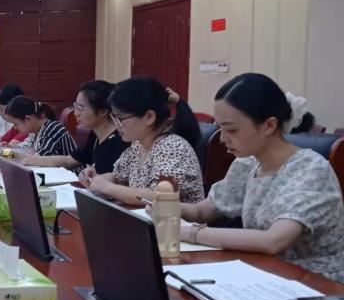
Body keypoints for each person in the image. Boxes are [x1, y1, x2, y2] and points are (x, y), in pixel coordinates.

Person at [179, 73, 344, 282]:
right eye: (220, 128)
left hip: (316, 284)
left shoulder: (312, 170)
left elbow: (274, 241)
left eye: (232, 130)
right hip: (265, 273)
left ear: (269, 125)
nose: (222, 138)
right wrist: (169, 209)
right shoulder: (247, 163)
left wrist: (190, 234)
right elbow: (205, 210)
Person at [82, 76, 204, 205]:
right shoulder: (137, 145)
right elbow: (118, 177)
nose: (116, 125)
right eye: (114, 118)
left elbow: (160, 196)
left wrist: (108, 188)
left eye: (120, 118)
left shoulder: (174, 147)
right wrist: (99, 179)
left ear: (149, 117)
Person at [10, 80, 128, 174]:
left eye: (81, 108)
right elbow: (69, 160)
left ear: (103, 111)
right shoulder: (95, 135)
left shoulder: (120, 141)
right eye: (75, 106)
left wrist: (14, 155)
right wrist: (9, 153)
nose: (76, 113)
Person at [1, 96, 76, 158]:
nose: (15, 128)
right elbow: (25, 150)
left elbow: (43, 159)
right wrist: (8, 149)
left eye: (15, 123)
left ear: (28, 118)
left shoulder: (52, 129)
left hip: (70, 172)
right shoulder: (34, 132)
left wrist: (8, 154)